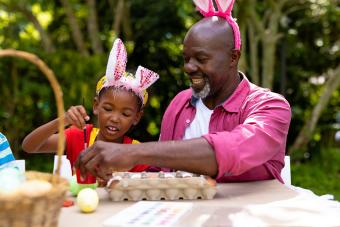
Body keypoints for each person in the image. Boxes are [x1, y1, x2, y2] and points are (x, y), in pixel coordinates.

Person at [75, 0, 291, 183]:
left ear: (233, 57)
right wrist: (119, 175)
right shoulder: (180, 103)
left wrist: (130, 152)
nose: (189, 67)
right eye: (187, 59)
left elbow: (232, 149)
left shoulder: (270, 106)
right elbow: (161, 172)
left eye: (201, 59)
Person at [22, 38, 159, 173]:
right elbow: (29, 146)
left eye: (125, 114)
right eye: (108, 109)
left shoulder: (136, 152)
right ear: (96, 106)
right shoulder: (79, 137)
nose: (115, 118)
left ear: (136, 117)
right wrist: (63, 120)